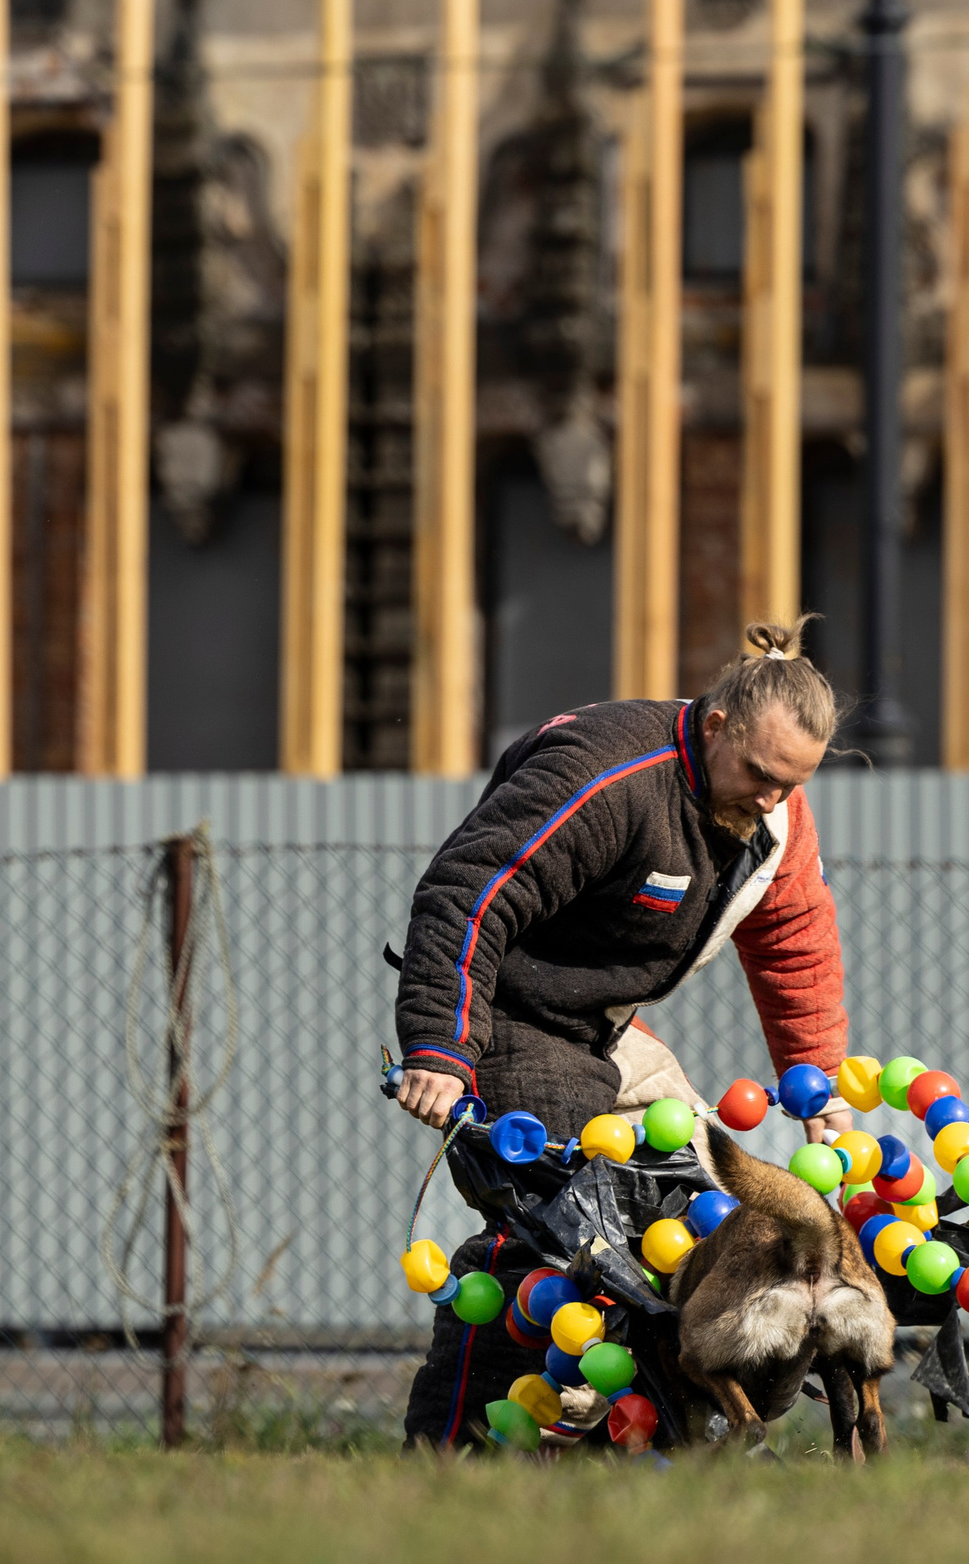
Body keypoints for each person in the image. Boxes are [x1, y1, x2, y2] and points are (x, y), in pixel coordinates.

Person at [390, 618, 852, 1447]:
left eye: (793, 783)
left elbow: (793, 939)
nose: (773, 799)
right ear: (715, 724)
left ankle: (622, 1441)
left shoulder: (775, 815)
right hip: (510, 1015)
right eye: (759, 773)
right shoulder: (609, 774)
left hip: (603, 1030)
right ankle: (450, 1448)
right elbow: (470, 892)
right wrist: (439, 1048)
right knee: (561, 1228)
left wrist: (816, 1082)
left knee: (695, 1209)